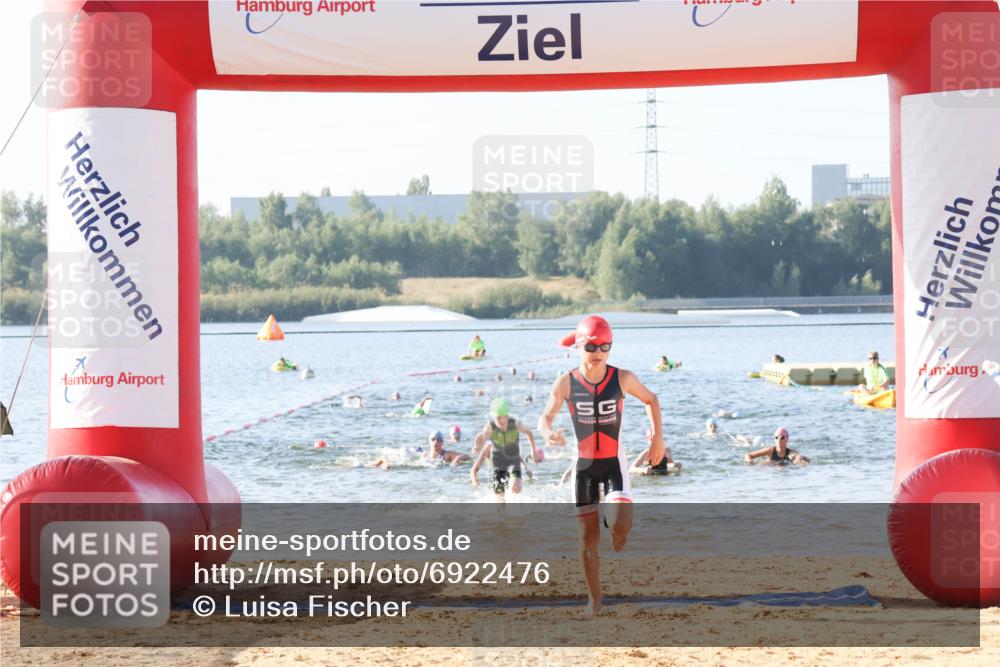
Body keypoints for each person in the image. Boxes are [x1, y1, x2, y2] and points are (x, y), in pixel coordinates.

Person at [539, 315, 665, 618]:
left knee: (620, 527)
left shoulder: (622, 378)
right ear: (580, 346)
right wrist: (548, 433)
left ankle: (616, 528)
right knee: (586, 540)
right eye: (593, 347)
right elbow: (545, 417)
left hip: (613, 466)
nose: (599, 353)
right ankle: (594, 600)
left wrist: (657, 439)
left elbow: (651, 399)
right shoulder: (566, 382)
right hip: (582, 468)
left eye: (606, 347)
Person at [471, 398, 542, 503]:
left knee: (515, 487)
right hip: (498, 464)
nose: (502, 421)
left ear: (508, 416)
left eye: (504, 418)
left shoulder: (516, 424)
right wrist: (477, 445)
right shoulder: (489, 429)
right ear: (493, 417)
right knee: (500, 501)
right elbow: (477, 451)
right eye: (498, 418)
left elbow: (529, 432)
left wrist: (533, 451)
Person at [745, 427, 809, 465]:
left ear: (787, 439)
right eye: (776, 438)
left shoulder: (791, 453)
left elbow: (807, 460)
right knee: (749, 444)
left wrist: (801, 457)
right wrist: (750, 462)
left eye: (782, 438)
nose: (779, 440)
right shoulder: (770, 450)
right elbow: (748, 455)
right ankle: (745, 440)